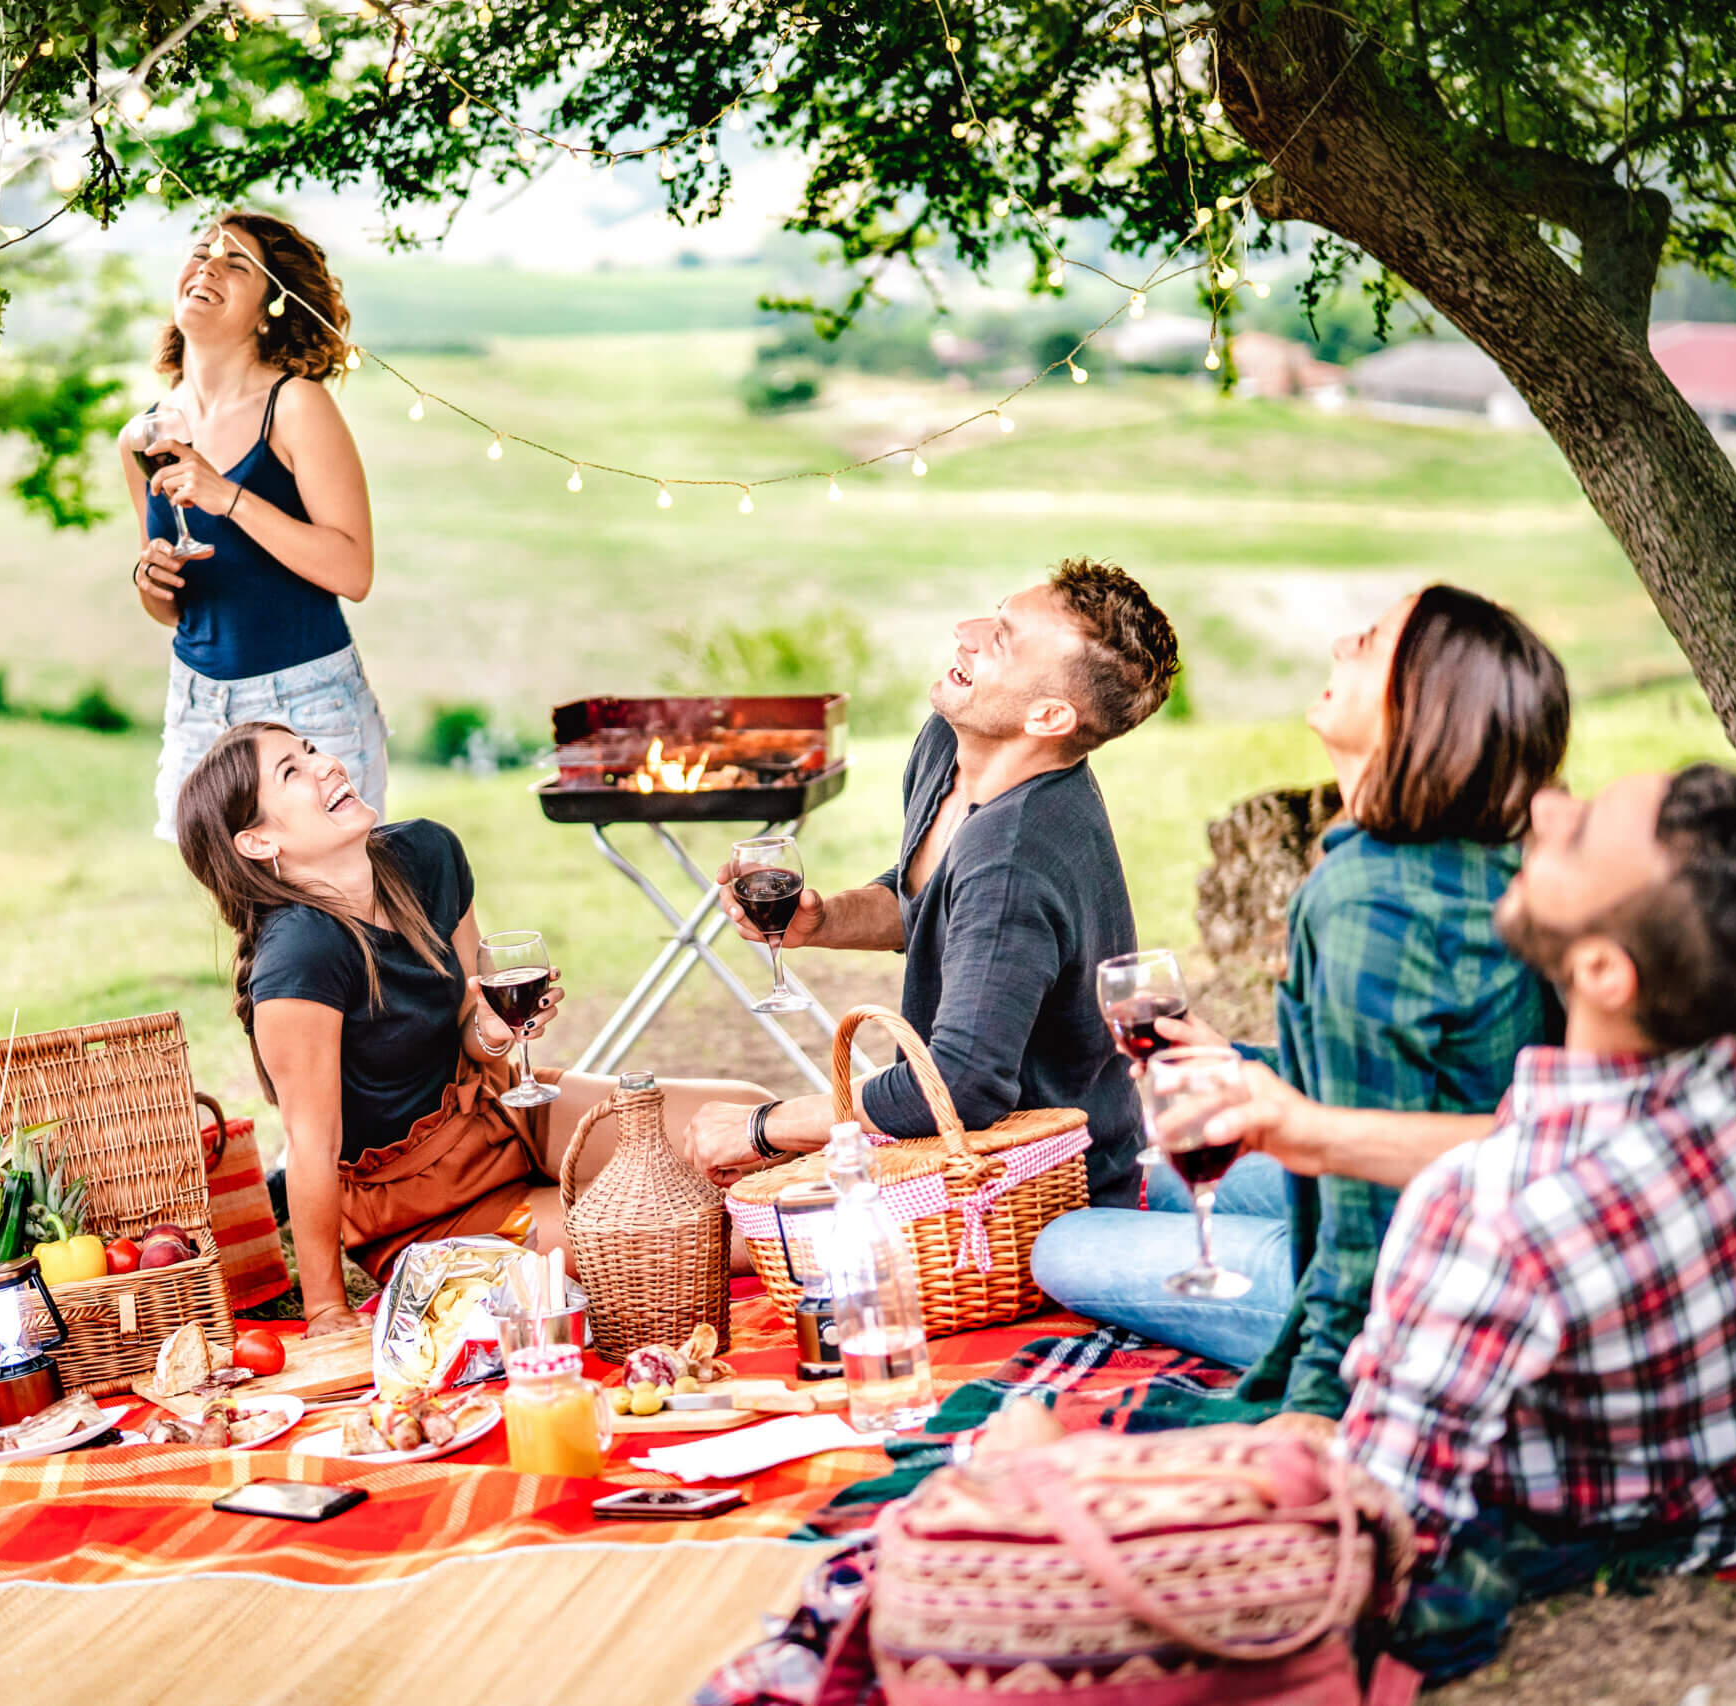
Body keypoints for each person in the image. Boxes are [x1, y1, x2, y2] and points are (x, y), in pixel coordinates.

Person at [1207, 766, 1736, 1670]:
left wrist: (1035, 1470)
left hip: (1587, 1492)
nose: (1545, 804)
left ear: (1601, 971)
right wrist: (1303, 1135)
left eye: (1576, 834)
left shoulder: (1489, 1222)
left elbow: (1365, 1543)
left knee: (1074, 1252)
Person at [1029, 585, 1568, 1415]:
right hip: (1489, 1217)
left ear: (1422, 704)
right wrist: (1235, 1061)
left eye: (1376, 641)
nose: (1344, 641)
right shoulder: (1491, 854)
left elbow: (1359, 1203)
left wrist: (1320, 1391)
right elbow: (1398, 1086)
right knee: (1135, 1179)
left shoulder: (1371, 897)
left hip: (1414, 1280)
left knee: (1064, 1239)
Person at [178, 723, 772, 1336]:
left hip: (502, 1113)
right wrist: (326, 1308)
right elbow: (310, 1147)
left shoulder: (427, 855)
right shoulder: (298, 956)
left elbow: (468, 1019)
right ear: (257, 841)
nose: (326, 764)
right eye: (291, 772)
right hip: (425, 1206)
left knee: (750, 1124)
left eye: (310, 750)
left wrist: (491, 1028)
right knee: (709, 1227)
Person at [681, 559, 1180, 1208]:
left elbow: (960, 1083)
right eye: (992, 612)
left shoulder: (1014, 856)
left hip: (1028, 1192)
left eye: (1000, 638)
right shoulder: (952, 744)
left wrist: (763, 1129)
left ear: (1050, 717)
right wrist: (824, 920)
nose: (964, 631)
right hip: (950, 1154)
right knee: (666, 1142)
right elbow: (934, 899)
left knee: (699, 1206)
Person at [124, 212, 387, 841]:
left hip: (309, 709)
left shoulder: (296, 403)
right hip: (195, 707)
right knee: (242, 924)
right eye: (201, 253)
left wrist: (227, 495)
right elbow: (173, 606)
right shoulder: (142, 435)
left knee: (340, 915)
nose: (208, 266)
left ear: (271, 305)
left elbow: (353, 572)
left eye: (236, 263)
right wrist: (150, 581)